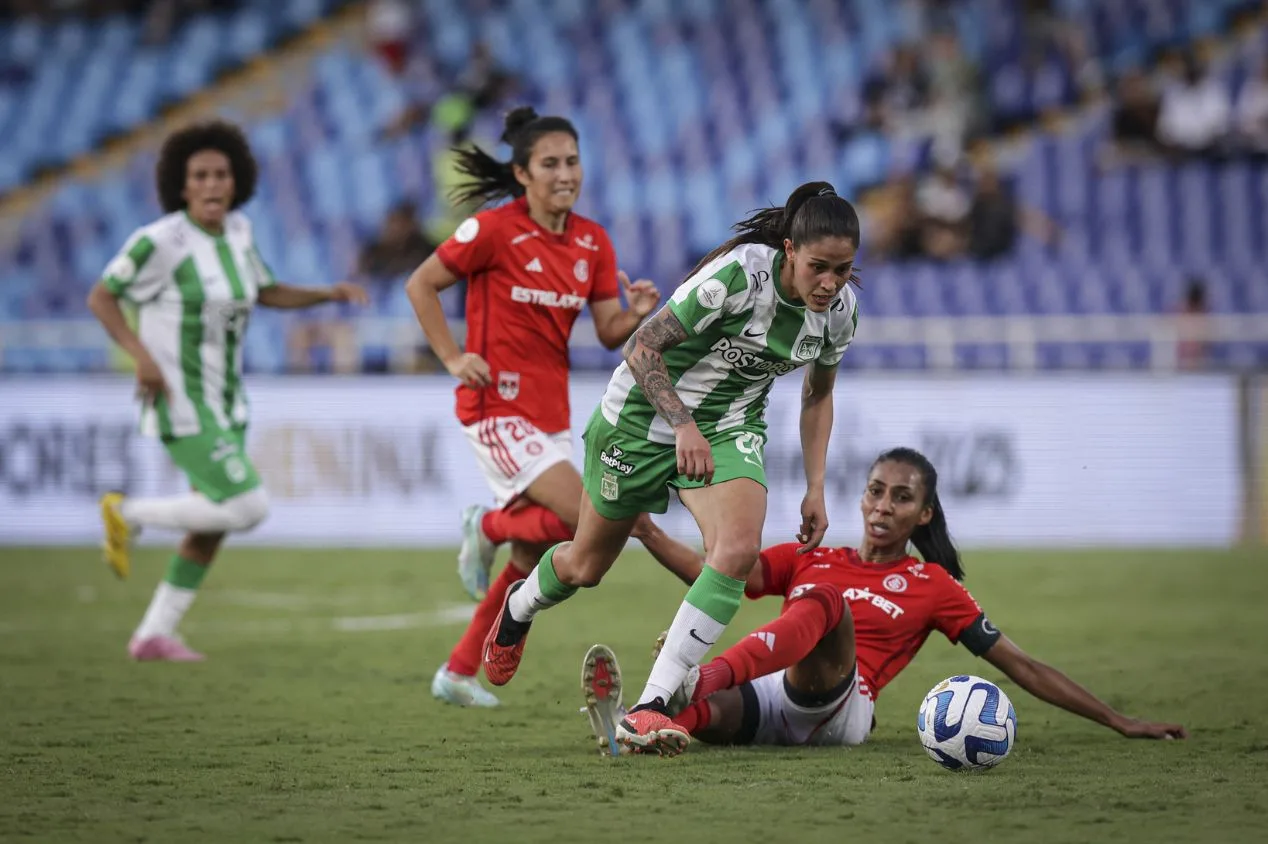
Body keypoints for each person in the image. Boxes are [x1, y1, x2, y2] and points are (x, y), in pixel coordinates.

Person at [483, 180, 863, 754]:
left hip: (730, 427)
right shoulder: (738, 278)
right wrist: (682, 424)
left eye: (842, 270)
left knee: (736, 551)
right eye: (819, 268)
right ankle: (517, 607)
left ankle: (650, 705)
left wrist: (815, 486)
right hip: (639, 421)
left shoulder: (839, 316)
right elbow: (641, 349)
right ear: (789, 250)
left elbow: (818, 395)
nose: (830, 283)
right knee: (585, 566)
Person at [581, 447, 1187, 754]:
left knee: (826, 603)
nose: (881, 507)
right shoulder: (817, 553)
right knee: (704, 719)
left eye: (900, 498)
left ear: (922, 514)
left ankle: (694, 679)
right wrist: (649, 531)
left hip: (844, 711)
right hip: (777, 694)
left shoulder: (934, 587)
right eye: (875, 492)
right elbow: (717, 573)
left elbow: (1020, 664)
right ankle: (639, 728)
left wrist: (1118, 720)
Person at [405, 106, 661, 707]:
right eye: (550, 163)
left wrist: (637, 310)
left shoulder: (592, 240)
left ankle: (458, 670)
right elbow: (421, 283)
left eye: (572, 161)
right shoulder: (494, 230)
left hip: (552, 418)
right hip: (495, 406)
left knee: (531, 554)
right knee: (587, 519)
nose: (565, 173)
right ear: (522, 173)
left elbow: (606, 332)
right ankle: (485, 524)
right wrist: (451, 357)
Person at [88, 120, 367, 662]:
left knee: (210, 524)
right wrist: (142, 358)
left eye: (222, 175)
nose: (213, 185)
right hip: (181, 401)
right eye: (201, 176)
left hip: (227, 402)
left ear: (237, 182)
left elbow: (266, 291)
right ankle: (128, 514)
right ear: (181, 185)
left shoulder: (238, 231)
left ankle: (152, 635)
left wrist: (325, 293)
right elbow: (102, 296)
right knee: (247, 507)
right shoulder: (159, 241)